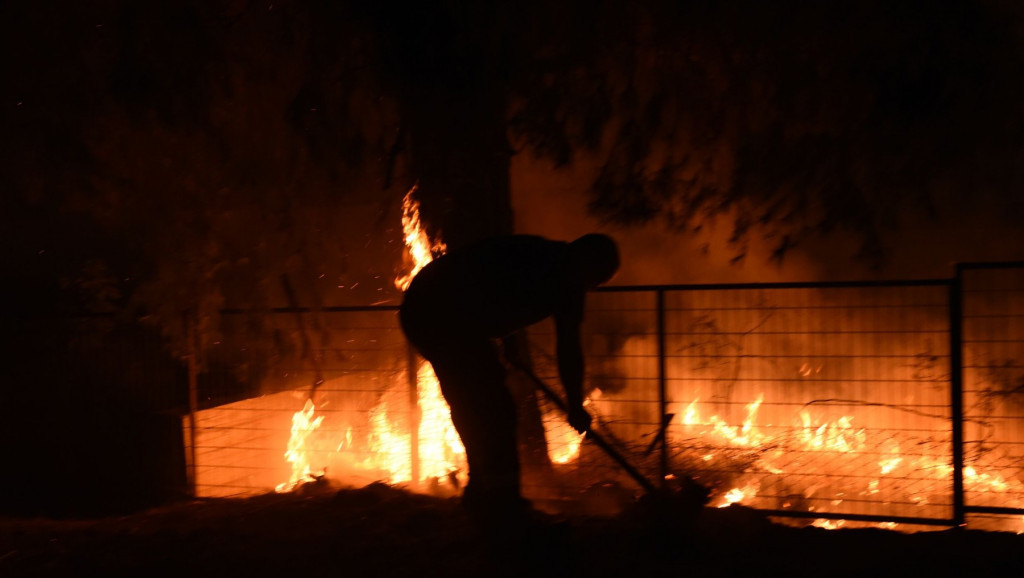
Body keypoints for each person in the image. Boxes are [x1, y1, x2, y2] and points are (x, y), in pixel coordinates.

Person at [399, 233, 620, 528]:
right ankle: (502, 502)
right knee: (492, 407)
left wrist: (507, 342)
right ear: (586, 262)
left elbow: (504, 302)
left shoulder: (558, 268)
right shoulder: (547, 266)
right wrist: (574, 405)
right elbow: (568, 348)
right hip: (435, 311)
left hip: (447, 312)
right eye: (596, 279)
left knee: (481, 405)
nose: (592, 287)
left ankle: (484, 493)